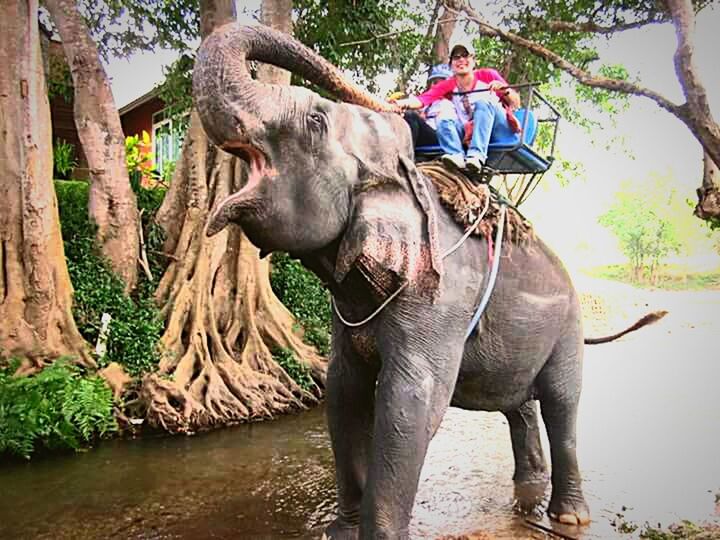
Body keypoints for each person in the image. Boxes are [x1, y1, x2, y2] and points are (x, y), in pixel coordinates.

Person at [391, 41, 521, 174]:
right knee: (443, 117)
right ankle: (455, 154)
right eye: (456, 57)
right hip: (468, 133)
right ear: (451, 65)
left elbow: (516, 103)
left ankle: (476, 155)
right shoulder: (449, 85)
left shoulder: (488, 75)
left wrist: (505, 90)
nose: (461, 60)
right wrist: (397, 105)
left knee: (482, 103)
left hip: (497, 128)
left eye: (465, 56)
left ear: (473, 61)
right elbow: (423, 99)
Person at [401, 63, 453, 149]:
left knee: (411, 116)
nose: (436, 85)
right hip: (426, 133)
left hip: (440, 137)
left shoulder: (452, 102)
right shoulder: (429, 103)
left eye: (441, 82)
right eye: (434, 82)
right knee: (405, 116)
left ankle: (407, 154)